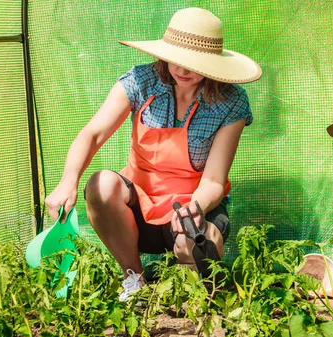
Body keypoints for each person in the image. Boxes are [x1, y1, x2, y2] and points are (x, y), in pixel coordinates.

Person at [44, 7, 262, 301]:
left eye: (194, 63)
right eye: (176, 60)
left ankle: (190, 293)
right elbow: (93, 134)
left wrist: (193, 209)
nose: (183, 70)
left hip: (193, 207)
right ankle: (134, 280)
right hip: (138, 208)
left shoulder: (230, 101)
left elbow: (214, 180)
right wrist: (68, 181)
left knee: (195, 245)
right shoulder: (141, 81)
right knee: (101, 184)